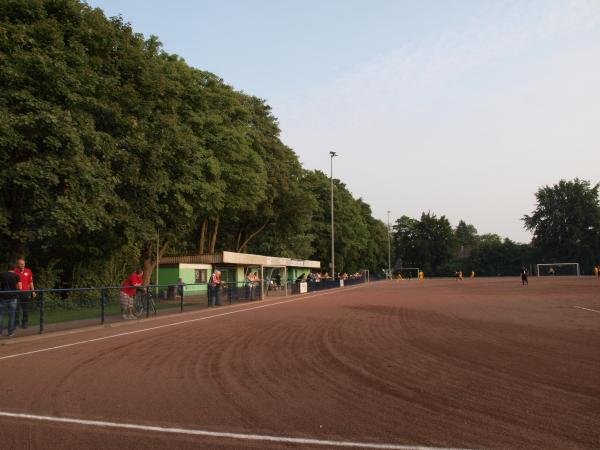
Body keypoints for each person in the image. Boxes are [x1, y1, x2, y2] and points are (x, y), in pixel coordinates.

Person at [0, 263, 22, 337]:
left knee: (0, 315)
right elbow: (20, 287)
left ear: (7, 268)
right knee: (12, 315)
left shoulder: (2, 274)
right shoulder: (16, 276)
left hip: (3, 297)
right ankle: (10, 332)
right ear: (14, 268)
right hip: (13, 297)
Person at [14, 258, 36, 329]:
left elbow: (31, 282)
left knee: (25, 309)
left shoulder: (28, 271)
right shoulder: (15, 271)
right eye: (21, 264)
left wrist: (33, 291)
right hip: (17, 293)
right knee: (17, 309)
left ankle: (25, 322)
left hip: (26, 293)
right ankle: (16, 323)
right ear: (18, 264)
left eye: (23, 264)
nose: (22, 265)